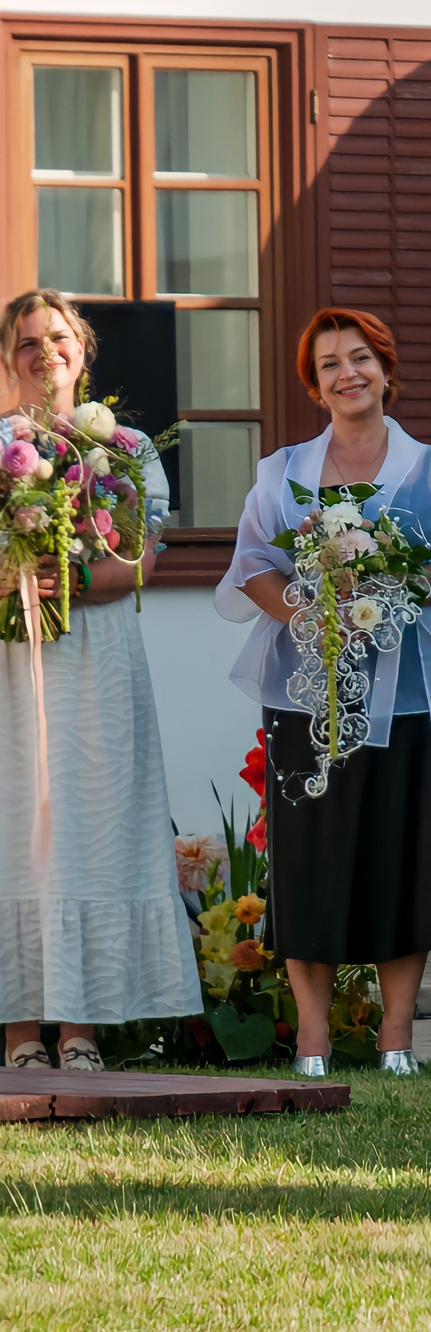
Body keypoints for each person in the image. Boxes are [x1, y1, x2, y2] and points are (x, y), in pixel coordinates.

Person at [216, 309, 431, 1076]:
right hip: (307, 696)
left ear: (385, 368)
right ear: (314, 384)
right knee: (310, 857)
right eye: (330, 363)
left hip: (411, 697)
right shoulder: (282, 472)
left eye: (361, 358)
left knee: (404, 854)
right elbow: (252, 563)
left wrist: (394, 586)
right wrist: (308, 612)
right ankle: (313, 1038)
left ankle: (397, 1037)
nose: (348, 374)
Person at [0, 289, 199, 1070]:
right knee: (17, 826)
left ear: (82, 350)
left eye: (56, 338)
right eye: (26, 342)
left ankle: (82, 1030)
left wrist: (73, 579)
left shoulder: (126, 446)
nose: (43, 352)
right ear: (9, 359)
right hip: (13, 657)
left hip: (98, 657)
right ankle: (20, 1036)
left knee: (91, 824)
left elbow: (143, 557)